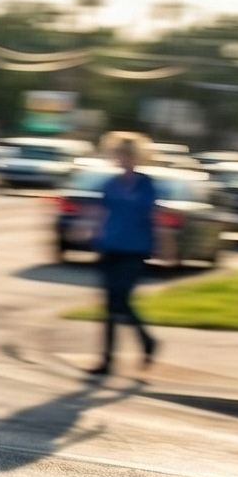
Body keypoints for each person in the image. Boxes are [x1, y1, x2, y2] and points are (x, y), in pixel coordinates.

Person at [88, 131, 161, 376]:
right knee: (111, 306)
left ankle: (147, 341)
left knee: (121, 300)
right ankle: (107, 360)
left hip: (136, 249)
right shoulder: (111, 184)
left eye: (127, 154)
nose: (123, 159)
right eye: (119, 154)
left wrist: (165, 244)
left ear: (136, 156)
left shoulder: (146, 184)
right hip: (111, 247)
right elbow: (102, 213)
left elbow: (152, 215)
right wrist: (92, 233)